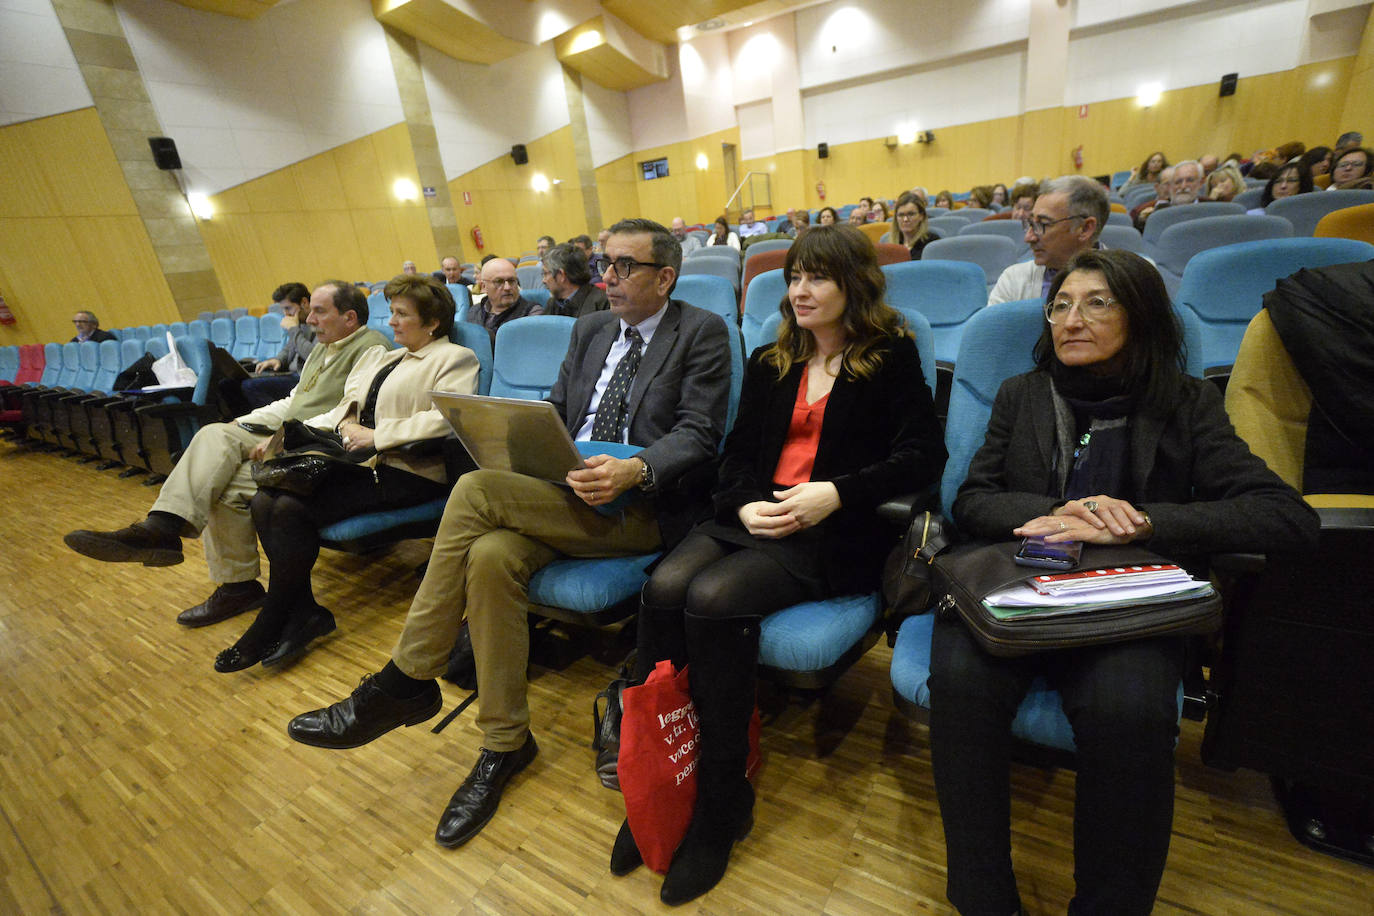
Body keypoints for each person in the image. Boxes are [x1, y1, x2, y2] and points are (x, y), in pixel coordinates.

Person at [283, 218, 733, 851]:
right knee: (491, 556)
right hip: (566, 492)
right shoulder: (593, 326)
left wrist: (635, 468)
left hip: (643, 504)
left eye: (625, 266)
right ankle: (506, 743)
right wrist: (516, 440)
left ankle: (406, 679)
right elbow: (550, 410)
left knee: (473, 491)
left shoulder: (702, 331)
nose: (609, 277)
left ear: (666, 275)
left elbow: (699, 433)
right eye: (605, 263)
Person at [928, 248, 1319, 916]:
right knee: (960, 684)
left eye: (1097, 302)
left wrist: (1139, 522)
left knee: (1128, 710)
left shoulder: (1186, 401)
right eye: (1060, 305)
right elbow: (972, 499)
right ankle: (980, 891)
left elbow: (1286, 518)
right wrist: (1052, 515)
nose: (1070, 320)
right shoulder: (1023, 394)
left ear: (1138, 316)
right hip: (1023, 582)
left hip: (1130, 595)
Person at [615, 224, 946, 904]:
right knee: (665, 588)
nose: (799, 290)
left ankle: (720, 795)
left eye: (816, 277)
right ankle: (662, 781)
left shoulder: (890, 359)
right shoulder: (772, 361)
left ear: (854, 285)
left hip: (836, 533)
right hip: (756, 519)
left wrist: (834, 493)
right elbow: (733, 458)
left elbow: (921, 459)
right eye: (794, 277)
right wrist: (741, 509)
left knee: (710, 600)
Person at [63, 282, 389, 627]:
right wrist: (243, 421)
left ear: (350, 317)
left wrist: (281, 437)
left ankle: (180, 543)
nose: (309, 319)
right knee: (215, 437)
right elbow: (293, 402)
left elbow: (349, 412)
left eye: (319, 311)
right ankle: (193, 550)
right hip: (297, 435)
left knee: (226, 485)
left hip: (324, 446)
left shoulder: (370, 347)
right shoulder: (325, 348)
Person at [217, 276, 480, 672]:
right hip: (359, 465)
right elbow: (343, 410)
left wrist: (377, 436)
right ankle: (302, 612)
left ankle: (274, 618)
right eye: (392, 312)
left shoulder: (455, 358)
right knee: (264, 500)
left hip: (409, 472)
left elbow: (446, 420)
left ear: (432, 322)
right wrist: (285, 436)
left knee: (288, 508)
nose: (391, 322)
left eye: (402, 314)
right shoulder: (384, 358)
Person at [989, 175, 1107, 305]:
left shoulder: (1126, 283)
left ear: (1085, 228)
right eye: (1030, 224)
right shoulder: (1013, 281)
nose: (1028, 237)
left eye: (1042, 224)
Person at [465, 257, 543, 342]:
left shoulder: (532, 313)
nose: (507, 287)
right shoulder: (474, 312)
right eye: (499, 282)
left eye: (512, 281)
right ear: (484, 286)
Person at [541, 242, 609, 318]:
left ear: (561, 275)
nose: (543, 280)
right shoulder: (553, 303)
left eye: (545, 273)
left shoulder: (602, 304)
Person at [889, 190, 941, 259]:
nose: (905, 219)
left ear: (921, 216)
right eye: (901, 215)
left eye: (911, 214)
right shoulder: (891, 245)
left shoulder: (932, 243)